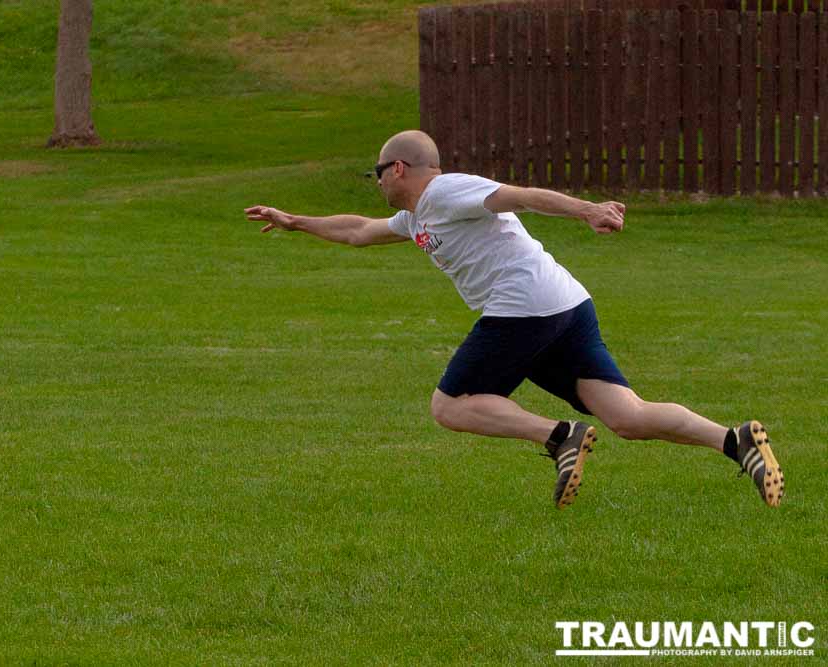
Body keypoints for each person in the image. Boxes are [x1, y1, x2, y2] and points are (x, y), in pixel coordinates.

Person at [244, 130, 783, 509]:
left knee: (449, 406)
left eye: (378, 174)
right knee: (628, 417)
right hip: (564, 305)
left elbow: (519, 197)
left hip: (523, 306)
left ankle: (559, 436)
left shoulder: (448, 190)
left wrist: (588, 210)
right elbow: (359, 230)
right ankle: (736, 442)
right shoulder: (417, 215)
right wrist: (295, 222)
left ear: (399, 168)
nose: (377, 183)